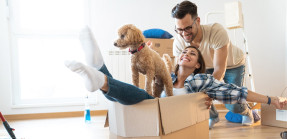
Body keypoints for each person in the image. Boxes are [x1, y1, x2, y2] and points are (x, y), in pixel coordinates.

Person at [65, 27, 287, 120]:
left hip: (166, 116)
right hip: (150, 109)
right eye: (185, 52)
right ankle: (99, 69)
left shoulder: (201, 81)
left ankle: (100, 73)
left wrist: (272, 100)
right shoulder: (167, 76)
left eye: (192, 54)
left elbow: (237, 92)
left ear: (198, 65)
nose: (186, 54)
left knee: (143, 98)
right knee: (137, 95)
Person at [171, 1, 253, 128]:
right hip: (205, 66)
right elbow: (181, 73)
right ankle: (213, 117)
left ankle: (247, 111)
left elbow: (220, 69)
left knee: (232, 104)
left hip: (232, 65)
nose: (184, 33)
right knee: (195, 90)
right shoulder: (179, 41)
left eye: (188, 28)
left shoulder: (216, 31)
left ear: (197, 21)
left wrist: (210, 93)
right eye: (180, 29)